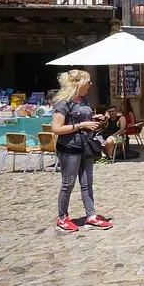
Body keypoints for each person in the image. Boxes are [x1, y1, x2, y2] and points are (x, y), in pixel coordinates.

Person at [51, 70, 112, 232]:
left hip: (85, 146)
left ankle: (91, 216)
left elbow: (84, 119)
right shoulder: (63, 103)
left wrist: (94, 120)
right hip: (69, 148)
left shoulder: (84, 100)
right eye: (88, 82)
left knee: (87, 184)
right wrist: (81, 125)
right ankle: (62, 218)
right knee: (68, 184)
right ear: (78, 83)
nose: (91, 85)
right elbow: (56, 129)